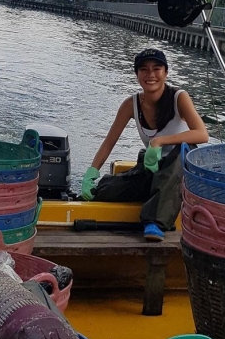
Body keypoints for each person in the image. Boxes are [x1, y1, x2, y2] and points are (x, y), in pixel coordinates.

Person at [80, 48, 209, 241]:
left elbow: (202, 134)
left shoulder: (178, 97)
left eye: (157, 69)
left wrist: (158, 141)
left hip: (178, 169)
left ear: (166, 73)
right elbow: (109, 142)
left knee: (183, 153)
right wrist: (92, 172)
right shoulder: (130, 104)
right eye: (144, 69)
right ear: (137, 75)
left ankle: (155, 222)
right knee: (106, 191)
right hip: (151, 165)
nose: (150, 75)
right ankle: (153, 195)